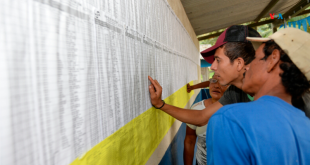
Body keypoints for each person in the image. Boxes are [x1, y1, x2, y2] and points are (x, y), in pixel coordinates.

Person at [207, 28, 310, 165]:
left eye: (254, 58)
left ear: (273, 59)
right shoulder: (305, 127)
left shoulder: (230, 120)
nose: (247, 66)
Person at [148, 25, 261, 126]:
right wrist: (160, 104)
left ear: (239, 63)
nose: (212, 67)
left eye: (218, 60)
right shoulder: (235, 92)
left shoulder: (269, 94)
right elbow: (201, 117)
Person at [183, 75, 228, 165]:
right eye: (213, 81)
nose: (217, 85)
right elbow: (190, 139)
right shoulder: (197, 108)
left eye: (223, 82)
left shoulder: (236, 110)